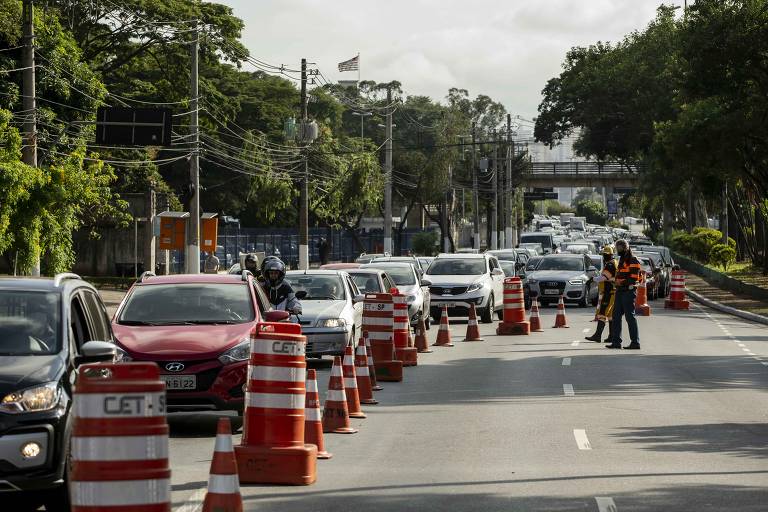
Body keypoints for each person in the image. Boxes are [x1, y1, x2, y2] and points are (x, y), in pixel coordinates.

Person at [605, 239, 642, 350]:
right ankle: (616, 342)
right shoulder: (621, 259)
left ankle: (635, 342)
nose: (618, 250)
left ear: (625, 248)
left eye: (619, 248)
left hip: (629, 292)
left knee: (630, 317)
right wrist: (615, 281)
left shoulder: (633, 260)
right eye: (617, 248)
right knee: (616, 317)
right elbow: (620, 274)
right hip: (620, 291)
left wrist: (621, 282)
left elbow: (634, 278)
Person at [585, 245, 617, 343]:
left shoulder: (610, 265)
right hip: (613, 292)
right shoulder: (614, 262)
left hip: (609, 293)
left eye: (606, 255)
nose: (605, 256)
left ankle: (597, 336)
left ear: (611, 255)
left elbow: (604, 278)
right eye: (604, 254)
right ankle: (612, 336)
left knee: (602, 313)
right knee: (610, 315)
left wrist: (592, 279)